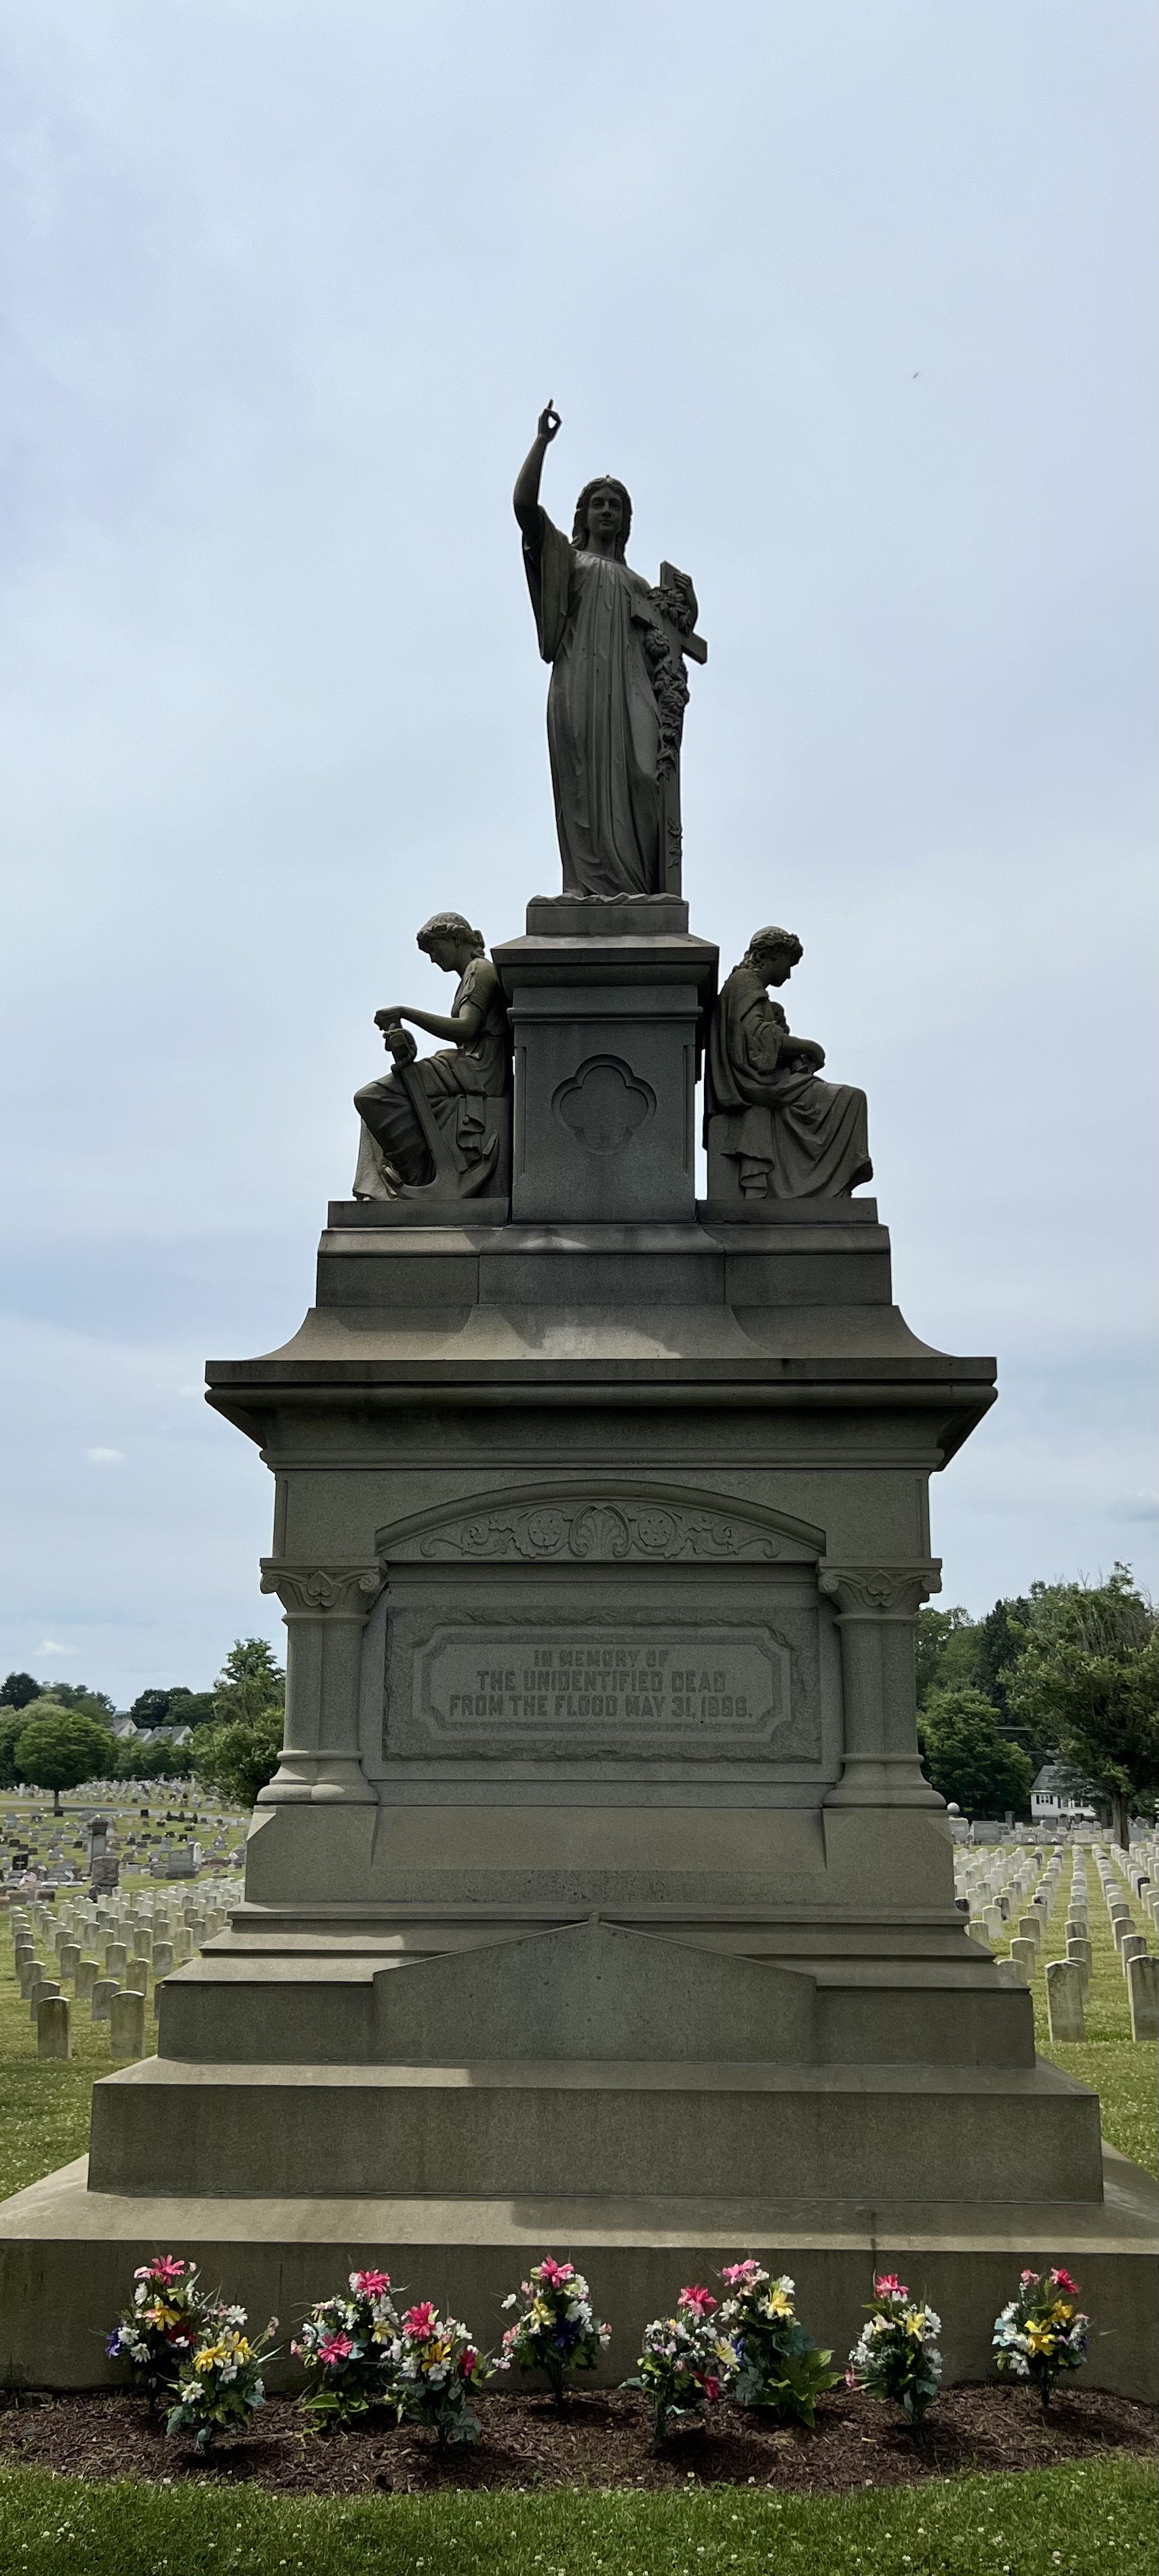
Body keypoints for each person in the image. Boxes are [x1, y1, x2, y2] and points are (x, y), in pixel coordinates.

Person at [514, 402, 686, 897]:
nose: (607, 510)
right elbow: (524, 510)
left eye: (616, 505)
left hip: (633, 689)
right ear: (584, 516)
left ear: (626, 521)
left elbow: (672, 648)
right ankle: (586, 888)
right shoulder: (570, 563)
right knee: (584, 781)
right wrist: (541, 444)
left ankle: (641, 884)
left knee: (643, 773)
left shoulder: (640, 585)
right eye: (599, 503)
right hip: (580, 682)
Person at [707, 926, 873, 1199]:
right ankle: (825, 1188)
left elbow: (757, 1037)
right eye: (788, 964)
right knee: (849, 1100)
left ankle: (828, 1188)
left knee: (849, 1099)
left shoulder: (749, 988)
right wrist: (807, 1046)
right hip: (758, 1086)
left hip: (769, 1082)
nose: (789, 974)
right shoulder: (744, 982)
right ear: (770, 956)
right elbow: (755, 1040)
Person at [353, 913, 510, 1198]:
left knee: (372, 1097)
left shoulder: (480, 971)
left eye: (434, 949)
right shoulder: (470, 976)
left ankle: (417, 1174)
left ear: (454, 938)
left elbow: (465, 1028)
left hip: (479, 1070)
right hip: (465, 1067)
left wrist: (405, 1012)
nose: (433, 959)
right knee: (375, 1100)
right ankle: (416, 1177)